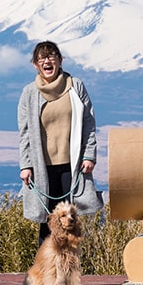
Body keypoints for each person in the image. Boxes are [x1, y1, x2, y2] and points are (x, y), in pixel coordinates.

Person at [18, 40, 104, 246]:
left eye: (51, 56)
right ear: (35, 65)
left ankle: (70, 269)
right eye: (41, 58)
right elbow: (25, 132)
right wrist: (26, 165)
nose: (47, 61)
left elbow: (88, 123)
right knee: (47, 220)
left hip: (71, 164)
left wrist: (89, 155)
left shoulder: (76, 86)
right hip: (42, 167)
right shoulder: (29, 93)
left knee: (71, 218)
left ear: (60, 60)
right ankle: (48, 271)